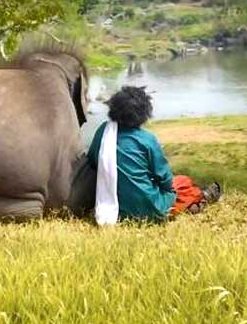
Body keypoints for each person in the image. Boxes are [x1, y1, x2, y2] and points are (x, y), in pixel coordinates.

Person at [87, 86, 221, 222]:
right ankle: (197, 199)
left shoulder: (103, 132)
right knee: (182, 183)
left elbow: (92, 161)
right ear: (144, 113)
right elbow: (166, 181)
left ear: (113, 109)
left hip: (109, 204)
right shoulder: (147, 139)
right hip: (146, 208)